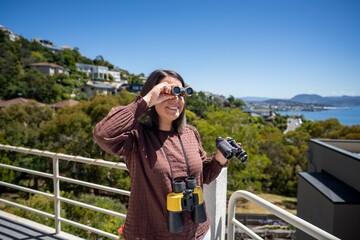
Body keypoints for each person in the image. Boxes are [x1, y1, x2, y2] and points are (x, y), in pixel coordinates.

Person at [93, 69, 228, 240]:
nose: (175, 99)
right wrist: (147, 100)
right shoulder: (137, 136)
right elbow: (103, 134)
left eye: (180, 93)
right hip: (152, 234)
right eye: (168, 92)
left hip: (198, 233)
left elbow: (204, 176)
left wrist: (220, 158)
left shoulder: (190, 133)